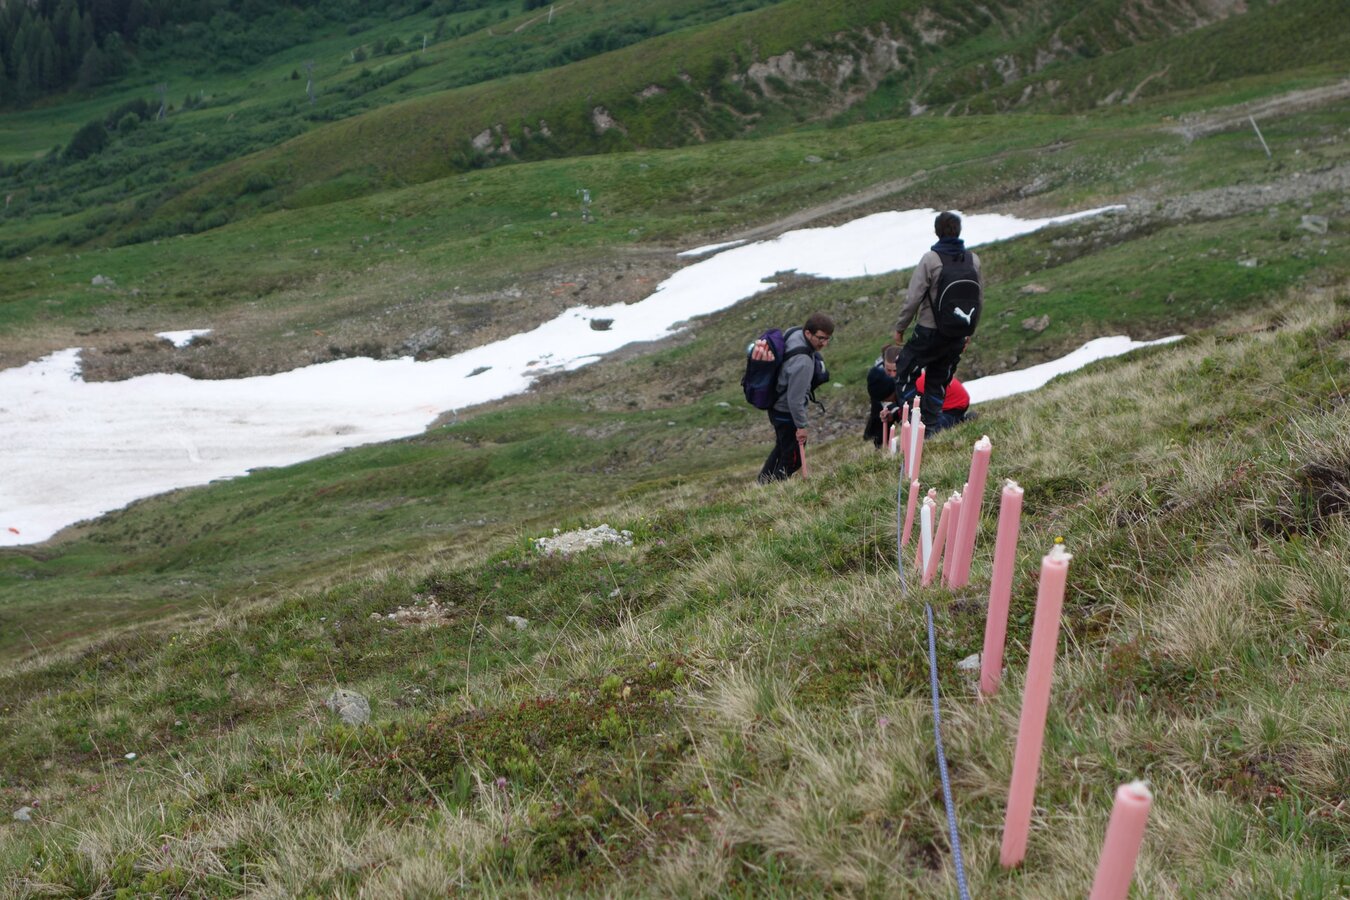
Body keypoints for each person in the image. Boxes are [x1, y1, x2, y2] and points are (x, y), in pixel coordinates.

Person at [891, 211, 982, 432]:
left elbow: (914, 297)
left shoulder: (931, 259)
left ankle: (916, 424)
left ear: (936, 231)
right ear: (959, 231)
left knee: (904, 370)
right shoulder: (973, 259)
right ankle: (930, 428)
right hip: (958, 332)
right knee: (938, 379)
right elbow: (978, 298)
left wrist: (900, 327)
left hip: (929, 331)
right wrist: (968, 331)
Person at [758, 313, 834, 483]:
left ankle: (762, 483)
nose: (824, 343)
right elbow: (795, 400)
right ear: (808, 333)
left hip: (775, 405)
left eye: (828, 338)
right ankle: (774, 490)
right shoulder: (803, 362)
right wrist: (801, 426)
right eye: (821, 338)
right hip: (786, 413)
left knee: (782, 448)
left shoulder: (794, 332)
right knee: (793, 458)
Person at [890, 373, 971, 432]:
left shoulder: (913, 390)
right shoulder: (907, 386)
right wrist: (894, 415)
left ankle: (960, 419)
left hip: (956, 405)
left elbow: (916, 410)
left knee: (929, 428)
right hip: (951, 401)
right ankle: (958, 419)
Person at [864, 345, 902, 446]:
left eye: (895, 370)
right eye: (888, 370)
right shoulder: (878, 373)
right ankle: (877, 440)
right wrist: (892, 412)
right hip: (884, 397)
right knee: (879, 416)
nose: (892, 374)